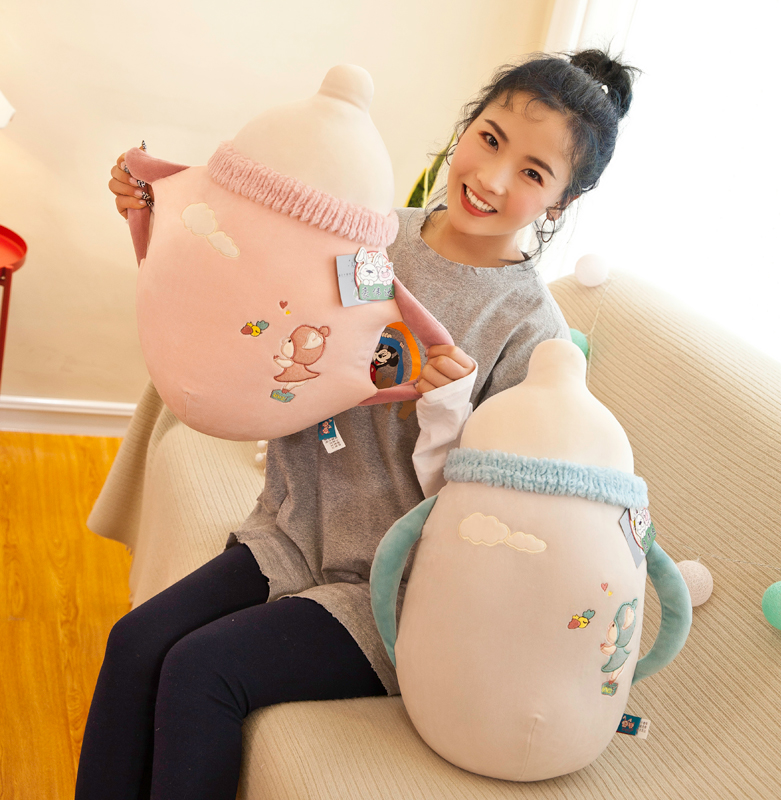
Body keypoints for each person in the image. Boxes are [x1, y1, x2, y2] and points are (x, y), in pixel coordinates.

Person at [77, 49, 638, 800]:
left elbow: (492, 521)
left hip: (394, 591)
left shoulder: (531, 332)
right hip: (286, 534)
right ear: (466, 128)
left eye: (533, 173)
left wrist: (448, 412)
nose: (494, 178)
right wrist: (155, 211)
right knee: (135, 642)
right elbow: (249, 299)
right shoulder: (370, 234)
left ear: (561, 203)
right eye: (491, 139)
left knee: (201, 672)